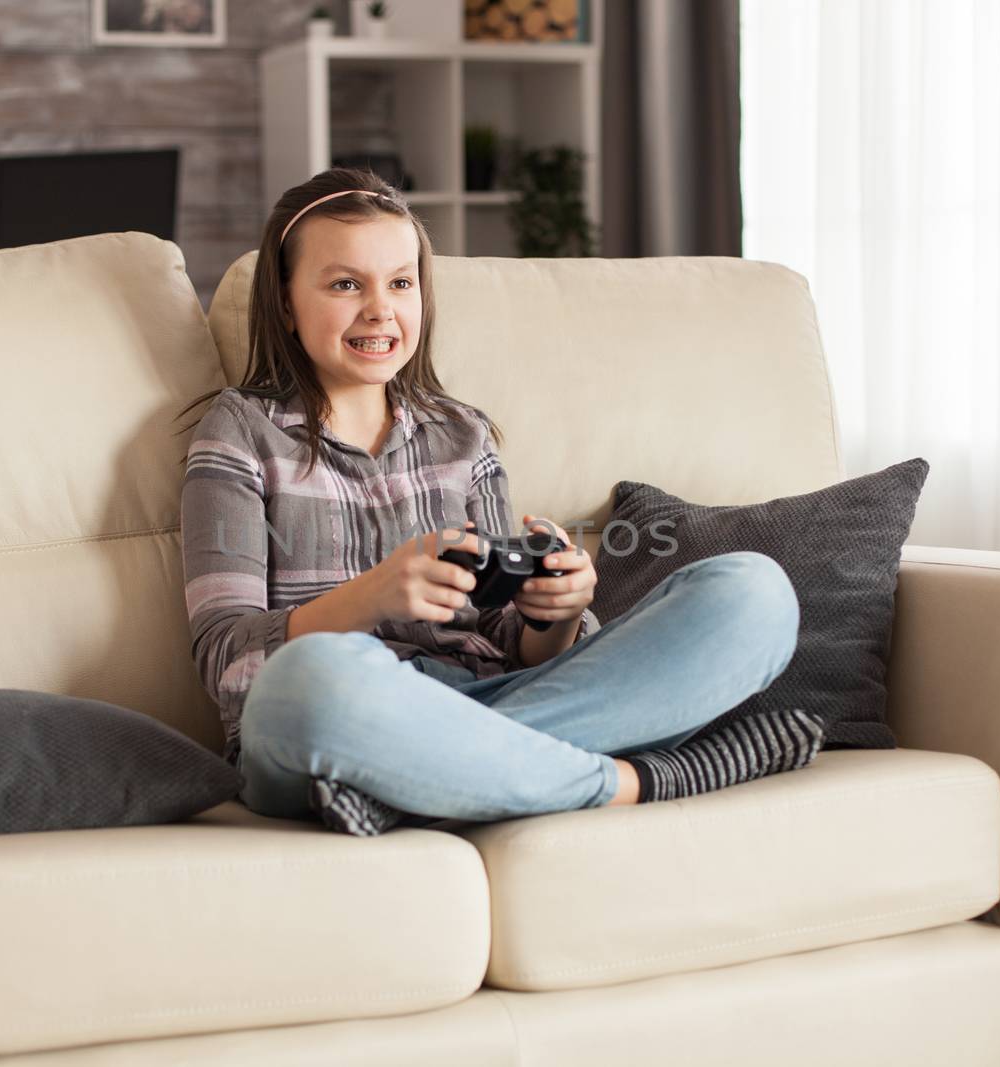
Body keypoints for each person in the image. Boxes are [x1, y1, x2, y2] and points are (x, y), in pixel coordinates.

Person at [174, 167, 822, 836]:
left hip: (485, 699)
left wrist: (556, 615)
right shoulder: (239, 432)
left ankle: (414, 785)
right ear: (284, 302)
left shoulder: (463, 434)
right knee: (308, 682)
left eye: (401, 282)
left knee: (753, 591)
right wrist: (370, 596)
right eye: (345, 284)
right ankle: (634, 778)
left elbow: (513, 649)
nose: (380, 309)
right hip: (336, 716)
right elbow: (227, 660)